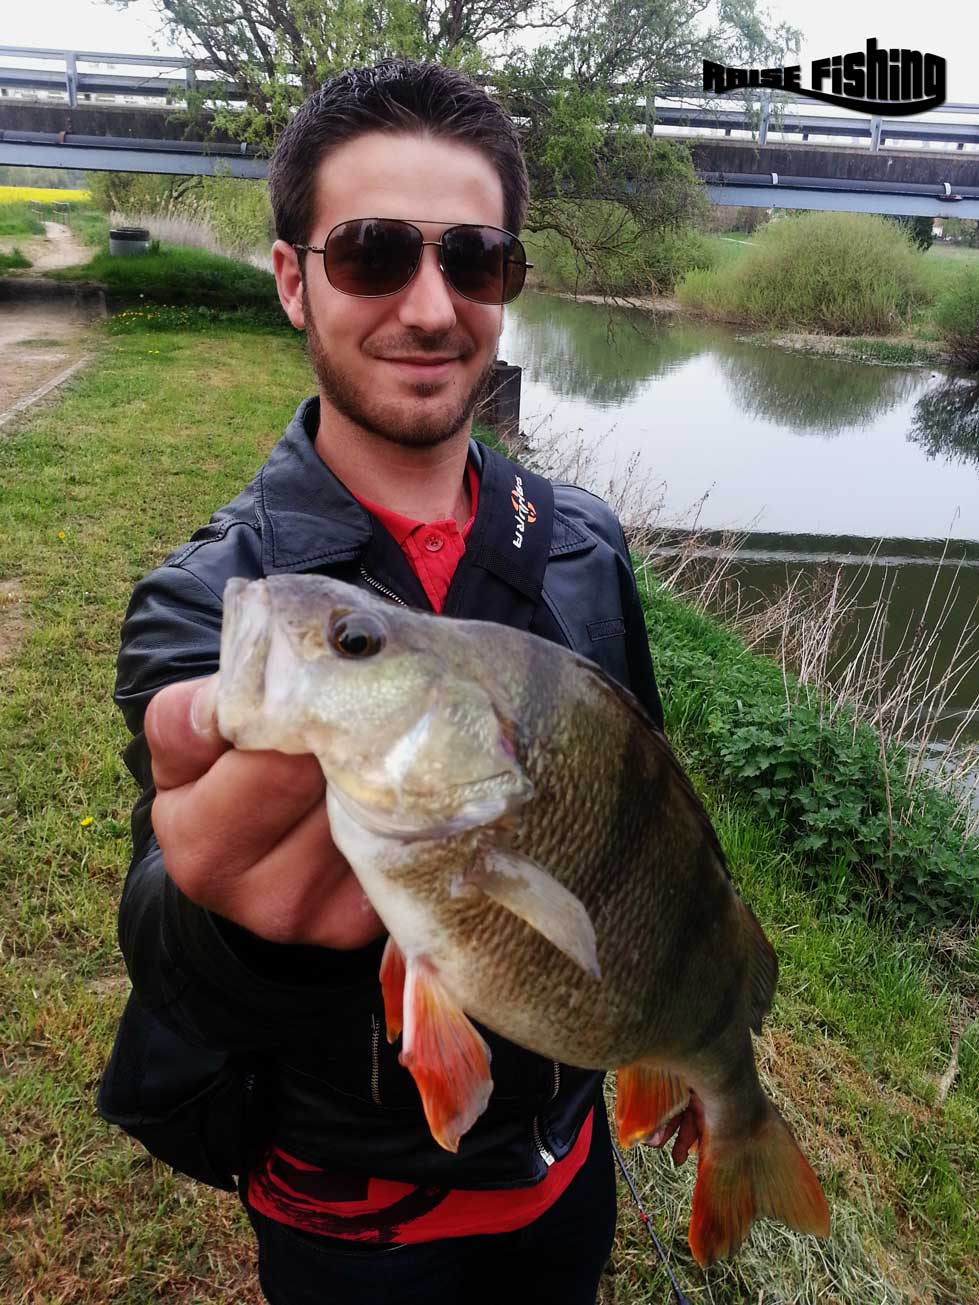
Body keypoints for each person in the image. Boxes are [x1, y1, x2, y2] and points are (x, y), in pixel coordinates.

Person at [106, 58, 699, 1305]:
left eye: (474, 260)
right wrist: (234, 925)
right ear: (293, 280)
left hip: (572, 1174)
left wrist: (681, 1044)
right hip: (351, 1225)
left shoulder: (586, 542)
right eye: (375, 253)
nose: (430, 307)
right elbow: (166, 939)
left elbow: (651, 835)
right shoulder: (213, 604)